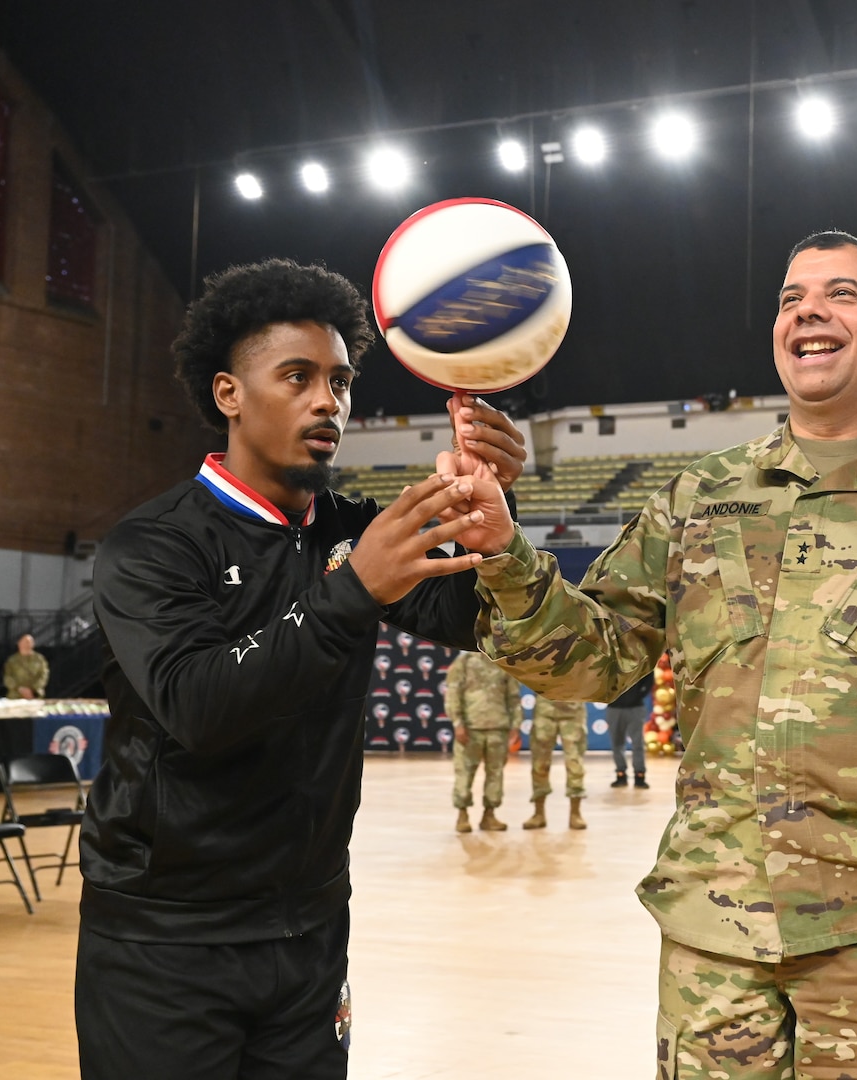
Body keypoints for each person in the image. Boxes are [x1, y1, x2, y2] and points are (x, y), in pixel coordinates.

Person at [466, 231, 857, 1077]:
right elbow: (593, 662)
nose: (807, 314)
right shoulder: (699, 497)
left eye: (839, 295)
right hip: (714, 935)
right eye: (791, 299)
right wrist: (506, 554)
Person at [79, 258, 525, 1079]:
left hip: (311, 931)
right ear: (229, 395)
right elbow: (197, 704)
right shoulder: (151, 545)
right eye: (299, 376)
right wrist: (351, 592)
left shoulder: (355, 531)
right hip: (165, 941)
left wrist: (496, 526)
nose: (330, 401)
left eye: (342, 380)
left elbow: (477, 622)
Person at [445, 650, 523, 832]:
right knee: (464, 772)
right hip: (471, 727)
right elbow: (453, 692)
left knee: (495, 773)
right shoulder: (464, 660)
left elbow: (513, 695)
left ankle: (490, 815)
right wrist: (458, 724)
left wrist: (516, 725)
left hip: (498, 727)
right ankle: (462, 815)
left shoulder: (503, 660)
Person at [526, 695, 588, 830]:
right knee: (540, 764)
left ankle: (575, 813)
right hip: (544, 710)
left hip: (573, 710)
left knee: (574, 763)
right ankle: (538, 813)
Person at [605, 670, 653, 789]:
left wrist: (638, 695)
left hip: (636, 707)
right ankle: (620, 775)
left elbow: (649, 676)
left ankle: (639, 776)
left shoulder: (640, 657)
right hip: (614, 708)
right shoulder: (610, 657)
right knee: (617, 743)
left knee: (638, 743)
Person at [4, 634, 48, 699]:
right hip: (15, 696)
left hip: (35, 695)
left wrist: (32, 689)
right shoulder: (12, 660)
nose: (27, 645)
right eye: (25, 642)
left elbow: (43, 676)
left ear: (33, 644)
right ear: (19, 644)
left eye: (30, 642)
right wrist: (20, 689)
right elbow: (7, 678)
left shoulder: (40, 659)